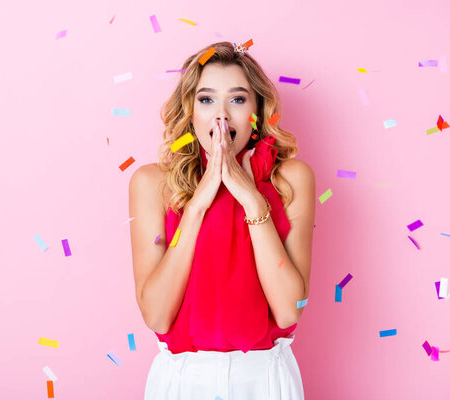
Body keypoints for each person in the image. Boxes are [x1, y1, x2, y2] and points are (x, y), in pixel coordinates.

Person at [129, 41, 315, 400]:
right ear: (190, 109)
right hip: (182, 380)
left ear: (258, 111)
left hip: (265, 378)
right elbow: (156, 317)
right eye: (207, 99)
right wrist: (197, 206)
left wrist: (249, 196)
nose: (222, 116)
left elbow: (289, 311)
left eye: (239, 99)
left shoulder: (292, 179)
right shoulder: (152, 182)